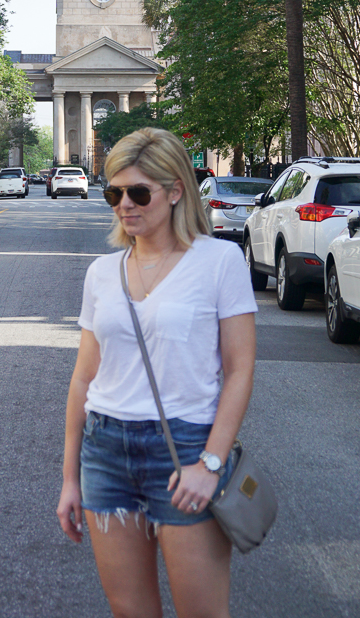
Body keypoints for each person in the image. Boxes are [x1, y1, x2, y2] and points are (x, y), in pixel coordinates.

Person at [57, 127, 257, 618]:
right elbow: (84, 378)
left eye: (139, 192)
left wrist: (210, 464)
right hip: (105, 451)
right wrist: (70, 477)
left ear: (174, 192)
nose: (125, 204)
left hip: (186, 447)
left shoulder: (220, 261)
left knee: (202, 612)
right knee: (129, 610)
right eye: (114, 192)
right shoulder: (102, 273)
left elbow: (240, 369)